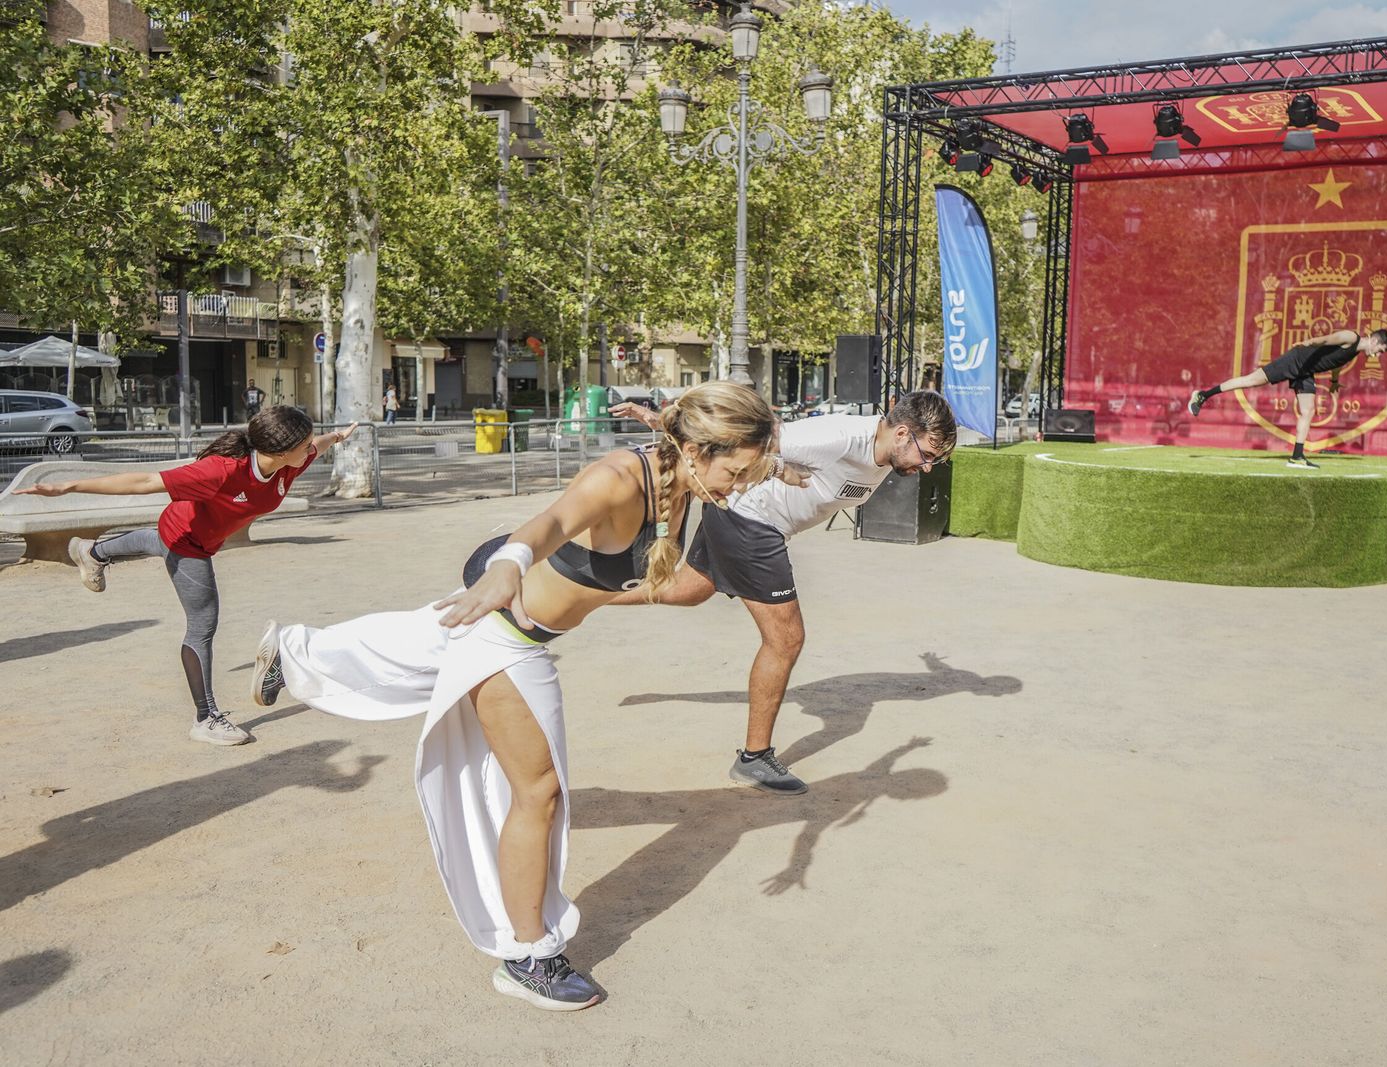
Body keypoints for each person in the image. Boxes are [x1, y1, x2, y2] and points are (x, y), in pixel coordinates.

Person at [245, 382, 776, 1011]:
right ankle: (529, 956)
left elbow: (707, 439)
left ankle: (295, 654)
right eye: (737, 471)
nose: (740, 485)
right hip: (507, 628)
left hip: (510, 618)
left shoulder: (683, 460)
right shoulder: (617, 478)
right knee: (539, 791)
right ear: (696, 448)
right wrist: (509, 564)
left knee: (419, 637)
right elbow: (549, 523)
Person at [607, 389, 957, 795]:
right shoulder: (840, 437)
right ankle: (754, 759)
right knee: (786, 639)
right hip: (752, 523)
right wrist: (665, 422)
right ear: (900, 433)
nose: (928, 467)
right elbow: (743, 437)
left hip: (745, 519)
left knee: (687, 590)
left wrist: (937, 668)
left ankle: (583, 595)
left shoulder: (887, 451)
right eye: (926, 454)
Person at [17, 406, 354, 746]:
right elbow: (145, 482)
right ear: (282, 450)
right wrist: (69, 486)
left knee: (156, 541)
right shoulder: (222, 470)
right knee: (202, 623)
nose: (312, 448)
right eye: (306, 443)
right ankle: (205, 718)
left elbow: (320, 444)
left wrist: (337, 437)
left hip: (192, 533)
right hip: (187, 539)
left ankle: (93, 552)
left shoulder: (289, 463)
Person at [1186, 328, 1387, 468]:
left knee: (1308, 411)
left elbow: (1336, 361)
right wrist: (1309, 341)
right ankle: (1203, 396)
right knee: (1250, 381)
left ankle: (1297, 457)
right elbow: (1328, 339)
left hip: (1305, 371)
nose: (1377, 355)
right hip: (1296, 360)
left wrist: (1333, 380)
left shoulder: (1354, 352)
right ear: (1375, 340)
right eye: (1380, 350)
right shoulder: (1351, 337)